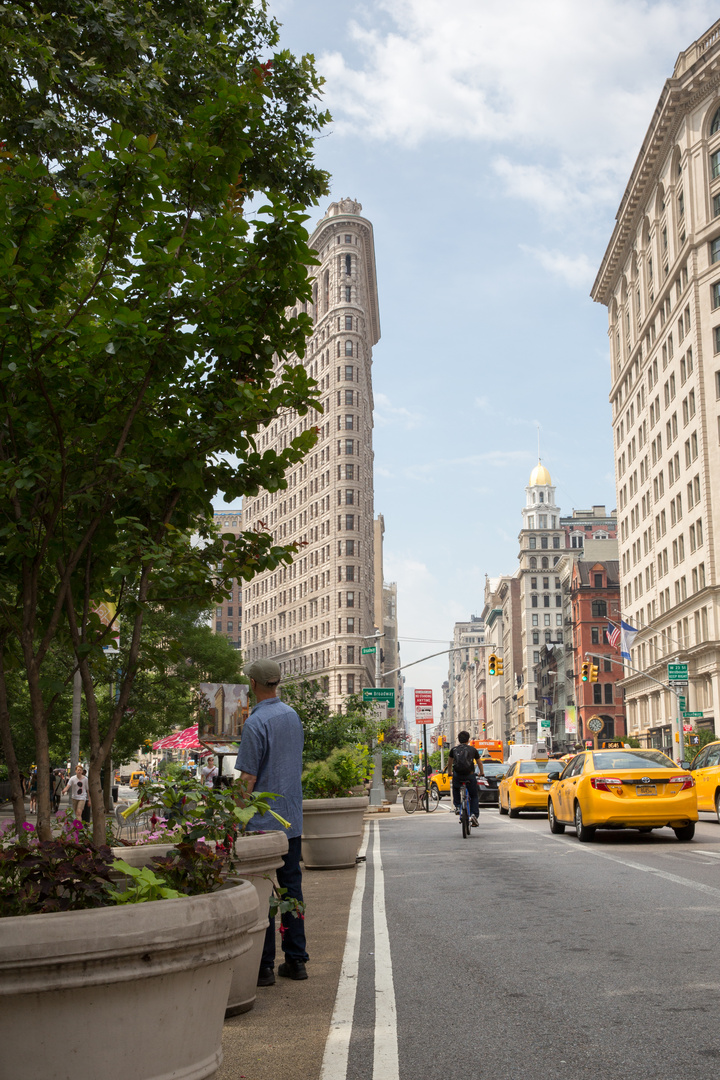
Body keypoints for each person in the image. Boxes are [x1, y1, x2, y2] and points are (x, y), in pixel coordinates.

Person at [234, 659, 308, 986]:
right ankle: (296, 960)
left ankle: (264, 967)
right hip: (291, 820)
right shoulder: (292, 717)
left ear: (252, 684)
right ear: (277, 682)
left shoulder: (255, 723)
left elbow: (248, 777)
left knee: (262, 893)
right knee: (291, 891)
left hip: (262, 825)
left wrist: (235, 816)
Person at [445, 731, 483, 827]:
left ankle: (457, 806)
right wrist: (481, 772)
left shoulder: (453, 750)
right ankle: (474, 815)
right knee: (474, 796)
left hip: (458, 775)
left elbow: (449, 763)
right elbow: (479, 763)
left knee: (456, 788)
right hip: (470, 775)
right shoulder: (473, 750)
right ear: (468, 739)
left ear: (458, 739)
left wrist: (450, 772)